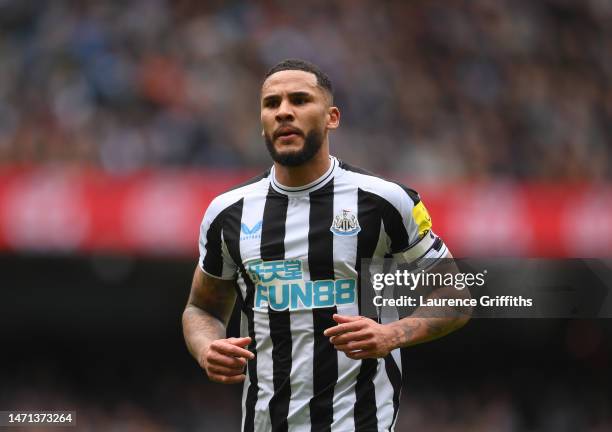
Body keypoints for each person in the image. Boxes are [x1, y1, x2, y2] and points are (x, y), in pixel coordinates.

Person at [182, 59, 470, 431]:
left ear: (332, 117)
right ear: (262, 122)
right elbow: (201, 307)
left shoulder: (386, 201)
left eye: (300, 100)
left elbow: (456, 295)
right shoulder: (228, 212)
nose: (284, 112)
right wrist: (207, 347)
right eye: (272, 104)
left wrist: (391, 335)